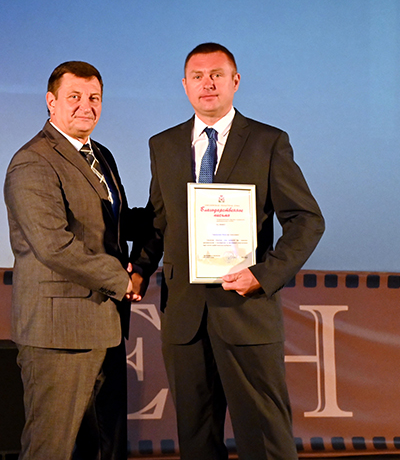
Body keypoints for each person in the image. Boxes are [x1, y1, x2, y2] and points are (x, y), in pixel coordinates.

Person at [132, 43, 325, 460]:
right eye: (197, 76)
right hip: (185, 317)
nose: (207, 84)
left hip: (246, 310)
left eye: (217, 75)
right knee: (197, 442)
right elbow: (160, 220)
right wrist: (140, 269)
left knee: (266, 440)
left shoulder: (268, 142)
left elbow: (307, 220)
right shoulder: (163, 145)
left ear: (235, 81)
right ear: (184, 85)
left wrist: (264, 274)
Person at [4, 60, 146, 460]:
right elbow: (54, 245)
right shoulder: (33, 161)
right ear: (51, 102)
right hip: (58, 334)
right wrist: (122, 280)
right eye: (75, 97)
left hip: (105, 327)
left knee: (104, 449)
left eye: (94, 97)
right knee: (51, 449)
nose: (87, 106)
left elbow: (114, 223)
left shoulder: (101, 155)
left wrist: (179, 212)